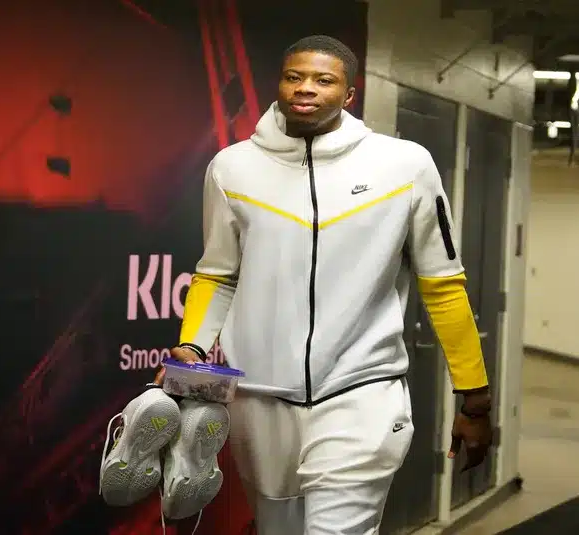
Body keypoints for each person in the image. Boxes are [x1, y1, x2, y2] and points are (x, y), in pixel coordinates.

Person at [99, 35, 493, 535]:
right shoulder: (232, 167)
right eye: (294, 77)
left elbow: (443, 285)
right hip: (259, 398)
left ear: (350, 94)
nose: (306, 88)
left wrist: (475, 400)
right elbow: (218, 272)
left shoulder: (404, 166)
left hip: (362, 391)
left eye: (324, 80)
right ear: (280, 84)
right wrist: (192, 347)